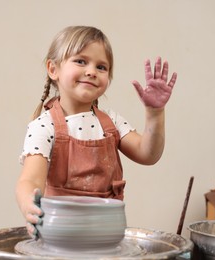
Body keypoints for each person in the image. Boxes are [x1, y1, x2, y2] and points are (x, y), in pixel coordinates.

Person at [15, 25, 177, 237]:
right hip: (61, 237)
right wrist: (30, 206)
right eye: (81, 61)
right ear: (53, 69)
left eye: (101, 67)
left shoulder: (112, 122)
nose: (91, 71)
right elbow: (30, 180)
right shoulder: (44, 126)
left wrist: (155, 113)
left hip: (107, 237)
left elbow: (148, 154)